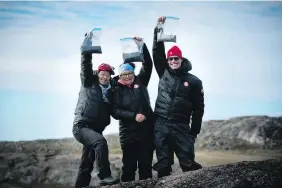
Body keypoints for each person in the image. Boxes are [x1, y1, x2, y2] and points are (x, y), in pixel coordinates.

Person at [152, 16, 205, 178]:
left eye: (176, 58)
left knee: (188, 164)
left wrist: (194, 130)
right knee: (163, 165)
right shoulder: (163, 72)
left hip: (182, 126)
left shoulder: (194, 81)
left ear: (181, 59)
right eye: (171, 58)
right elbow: (157, 52)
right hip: (161, 123)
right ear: (167, 61)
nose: (173, 60)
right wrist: (158, 29)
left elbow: (198, 108)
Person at [72, 32, 120, 187]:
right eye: (102, 74)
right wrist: (87, 47)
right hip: (82, 126)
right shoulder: (88, 82)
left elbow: (124, 76)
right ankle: (104, 176)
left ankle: (81, 185)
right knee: (100, 142)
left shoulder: (111, 89)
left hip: (95, 129)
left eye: (107, 75)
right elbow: (86, 64)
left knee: (87, 162)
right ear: (98, 73)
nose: (105, 77)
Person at [111, 37, 154, 182]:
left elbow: (148, 64)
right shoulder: (116, 89)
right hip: (128, 134)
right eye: (124, 74)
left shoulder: (141, 81)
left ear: (133, 73)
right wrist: (133, 116)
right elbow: (115, 111)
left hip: (146, 131)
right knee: (129, 167)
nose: (127, 76)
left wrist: (141, 45)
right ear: (120, 75)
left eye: (129, 73)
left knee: (145, 166)